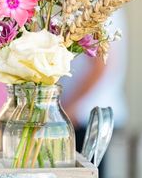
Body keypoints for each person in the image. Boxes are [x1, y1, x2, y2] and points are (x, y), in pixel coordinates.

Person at [60, 9, 127, 176]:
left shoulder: (97, 5)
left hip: (87, 116)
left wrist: (69, 108)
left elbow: (101, 66)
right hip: (87, 114)